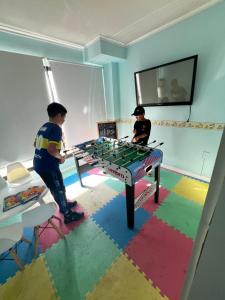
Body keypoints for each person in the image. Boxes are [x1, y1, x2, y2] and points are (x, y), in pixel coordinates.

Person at [33, 102, 84, 224]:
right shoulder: (56, 128)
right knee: (58, 188)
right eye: (64, 117)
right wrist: (60, 157)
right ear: (58, 115)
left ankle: (64, 205)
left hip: (38, 164)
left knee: (56, 188)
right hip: (48, 166)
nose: (64, 120)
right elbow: (51, 149)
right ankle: (67, 215)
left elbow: (35, 144)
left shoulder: (43, 126)